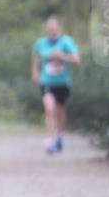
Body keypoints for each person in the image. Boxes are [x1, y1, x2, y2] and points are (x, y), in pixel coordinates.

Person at [31, 17, 80, 154]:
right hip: (46, 82)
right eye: (49, 29)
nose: (51, 31)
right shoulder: (40, 43)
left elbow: (77, 60)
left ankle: (59, 136)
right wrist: (35, 72)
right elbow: (35, 56)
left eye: (53, 29)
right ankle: (50, 140)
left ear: (58, 29)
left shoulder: (66, 42)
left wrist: (62, 56)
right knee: (49, 108)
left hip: (62, 83)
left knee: (60, 112)